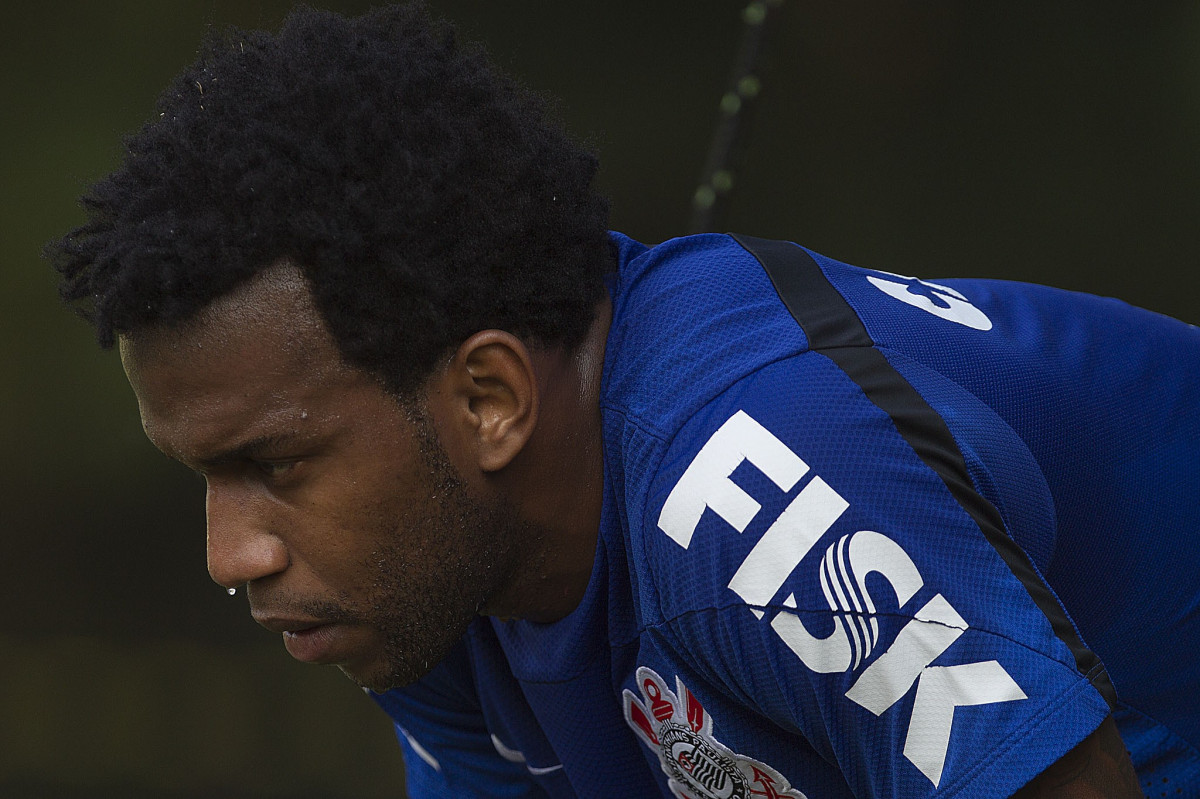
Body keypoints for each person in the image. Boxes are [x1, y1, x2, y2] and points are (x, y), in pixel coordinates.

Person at [47, 5, 1198, 798]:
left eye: (277, 465)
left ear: (490, 397)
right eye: (204, 476)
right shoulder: (427, 593)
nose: (230, 554)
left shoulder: (756, 489)